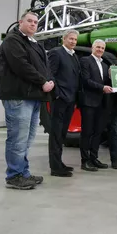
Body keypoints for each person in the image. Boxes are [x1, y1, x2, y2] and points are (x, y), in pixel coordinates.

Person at [0, 10, 54, 190]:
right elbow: (21, 66)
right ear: (20, 22)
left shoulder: (34, 43)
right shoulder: (12, 40)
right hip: (18, 97)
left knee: (27, 139)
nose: (33, 24)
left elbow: (44, 66)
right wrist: (42, 81)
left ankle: (23, 172)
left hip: (33, 96)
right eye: (29, 21)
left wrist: (49, 80)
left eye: (36, 22)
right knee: (18, 139)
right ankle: (14, 176)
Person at [47, 30, 80, 177]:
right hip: (60, 100)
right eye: (71, 39)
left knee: (62, 134)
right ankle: (55, 167)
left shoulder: (74, 56)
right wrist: (57, 95)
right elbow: (50, 74)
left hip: (70, 100)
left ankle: (59, 162)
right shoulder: (56, 53)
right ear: (64, 39)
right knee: (55, 134)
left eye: (75, 40)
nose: (73, 41)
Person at [79, 40, 113, 172]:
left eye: (102, 48)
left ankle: (94, 158)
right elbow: (86, 81)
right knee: (87, 132)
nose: (100, 49)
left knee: (98, 132)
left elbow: (106, 82)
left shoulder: (105, 65)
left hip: (102, 103)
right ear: (92, 47)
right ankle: (85, 160)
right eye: (98, 47)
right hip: (89, 102)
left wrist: (112, 79)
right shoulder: (85, 61)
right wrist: (102, 87)